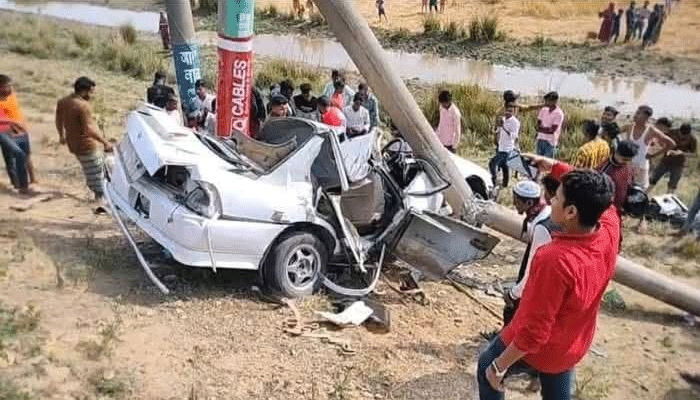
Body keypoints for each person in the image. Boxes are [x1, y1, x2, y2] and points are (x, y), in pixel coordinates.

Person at [477, 157, 618, 400]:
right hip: (571, 345)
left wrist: (499, 367)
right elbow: (599, 192)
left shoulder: (555, 260)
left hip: (540, 349)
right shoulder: (609, 227)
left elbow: (534, 331)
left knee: (485, 367)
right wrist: (553, 167)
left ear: (571, 212)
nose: (550, 200)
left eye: (556, 197)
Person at [502, 180, 557, 326]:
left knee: (512, 310)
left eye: (517, 202)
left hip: (542, 279)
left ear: (528, 203)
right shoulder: (545, 213)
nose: (514, 205)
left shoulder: (542, 228)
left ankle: (505, 342)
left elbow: (532, 268)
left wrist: (513, 294)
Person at [55, 77, 113, 201]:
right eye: (91, 91)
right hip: (86, 144)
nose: (92, 95)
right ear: (85, 91)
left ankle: (99, 196)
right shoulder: (83, 106)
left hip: (73, 144)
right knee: (97, 172)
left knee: (90, 170)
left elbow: (58, 120)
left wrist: (61, 136)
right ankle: (100, 199)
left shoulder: (63, 102)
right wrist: (105, 143)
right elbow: (88, 129)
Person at [0, 74, 36, 195]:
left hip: (13, 129)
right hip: (2, 131)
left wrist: (18, 124)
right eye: (6, 86)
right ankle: (23, 186)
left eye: (10, 86)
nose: (10, 88)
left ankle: (17, 184)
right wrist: (13, 122)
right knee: (18, 154)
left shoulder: (11, 96)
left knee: (12, 157)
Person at [649, 123, 697, 194]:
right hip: (665, 161)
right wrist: (663, 146)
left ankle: (668, 199)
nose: (682, 137)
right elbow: (661, 138)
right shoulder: (671, 132)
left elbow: (694, 154)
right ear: (679, 130)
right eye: (681, 134)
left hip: (678, 164)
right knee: (653, 179)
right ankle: (644, 195)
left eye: (685, 136)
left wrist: (682, 153)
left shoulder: (692, 139)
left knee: (672, 185)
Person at [489, 103, 520, 188]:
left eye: (510, 111)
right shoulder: (503, 119)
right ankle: (505, 184)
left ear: (513, 111)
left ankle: (494, 181)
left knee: (493, 164)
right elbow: (498, 131)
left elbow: (514, 136)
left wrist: (504, 127)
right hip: (501, 146)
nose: (508, 113)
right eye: (506, 110)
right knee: (504, 167)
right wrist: (497, 128)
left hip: (507, 149)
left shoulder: (515, 122)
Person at [535, 92, 565, 158]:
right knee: (537, 162)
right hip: (540, 139)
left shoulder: (559, 113)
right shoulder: (543, 110)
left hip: (550, 142)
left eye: (548, 101)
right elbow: (538, 123)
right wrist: (543, 129)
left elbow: (552, 130)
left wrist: (541, 129)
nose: (546, 102)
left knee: (546, 164)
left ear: (554, 101)